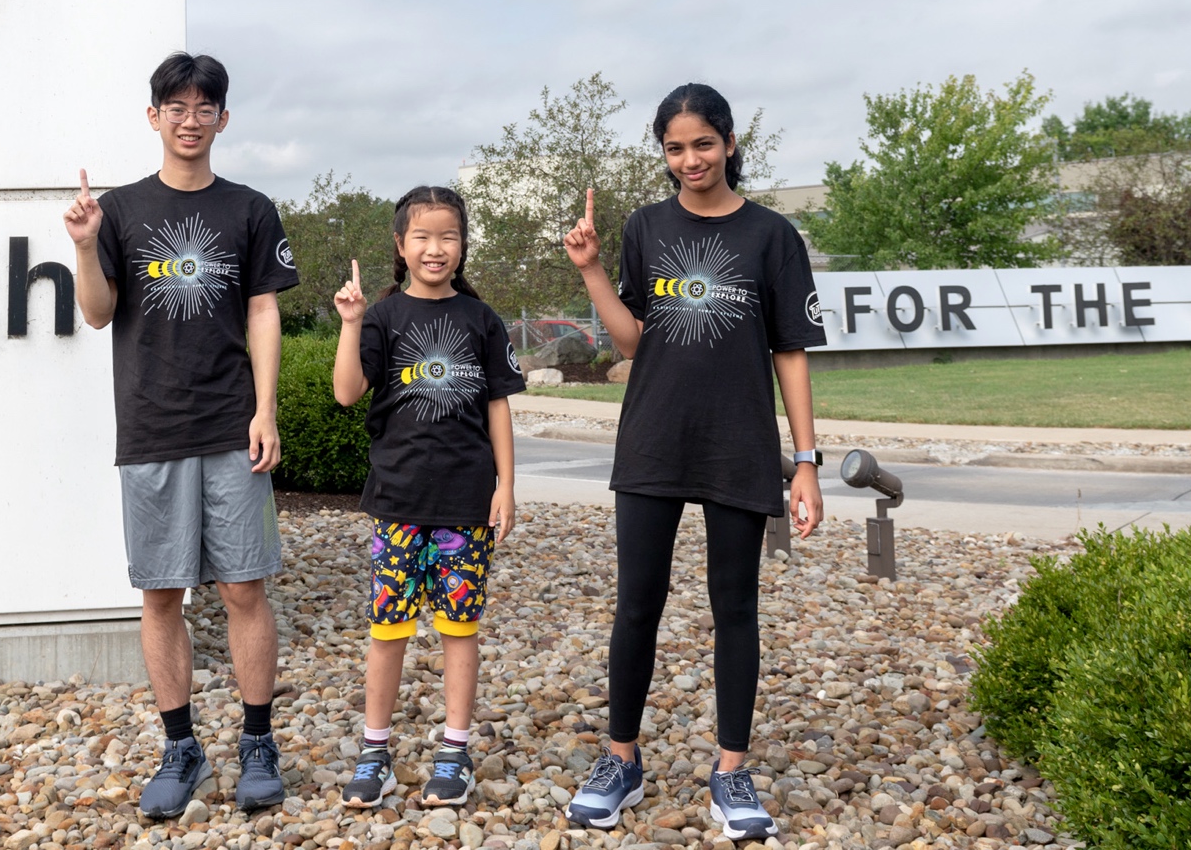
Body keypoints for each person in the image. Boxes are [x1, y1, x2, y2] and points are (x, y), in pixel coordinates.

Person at [557, 83, 826, 843]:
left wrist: (805, 461)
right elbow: (633, 341)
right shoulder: (645, 226)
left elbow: (791, 354)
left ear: (730, 143)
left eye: (703, 143)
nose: (690, 159)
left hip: (740, 444)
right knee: (636, 603)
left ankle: (731, 770)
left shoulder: (773, 236)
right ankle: (620, 759)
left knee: (734, 607)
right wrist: (592, 269)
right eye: (674, 148)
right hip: (652, 442)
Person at [64, 52, 301, 819]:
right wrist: (82, 243)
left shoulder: (251, 208)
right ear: (154, 116)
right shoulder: (123, 211)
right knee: (162, 591)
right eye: (177, 105)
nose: (190, 118)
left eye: (205, 106)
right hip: (152, 424)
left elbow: (264, 311)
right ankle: (180, 746)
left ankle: (257, 741)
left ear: (223, 119)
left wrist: (266, 409)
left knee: (242, 586)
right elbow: (97, 311)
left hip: (233, 423)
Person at [327, 186, 523, 812]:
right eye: (423, 237)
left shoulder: (481, 319)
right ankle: (375, 753)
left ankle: (454, 752)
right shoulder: (383, 318)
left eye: (449, 236)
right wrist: (351, 323)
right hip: (398, 501)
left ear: (463, 244)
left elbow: (497, 406)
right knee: (389, 629)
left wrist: (506, 485)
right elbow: (347, 393)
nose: (436, 249)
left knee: (458, 629)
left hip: (466, 503)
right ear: (400, 245)